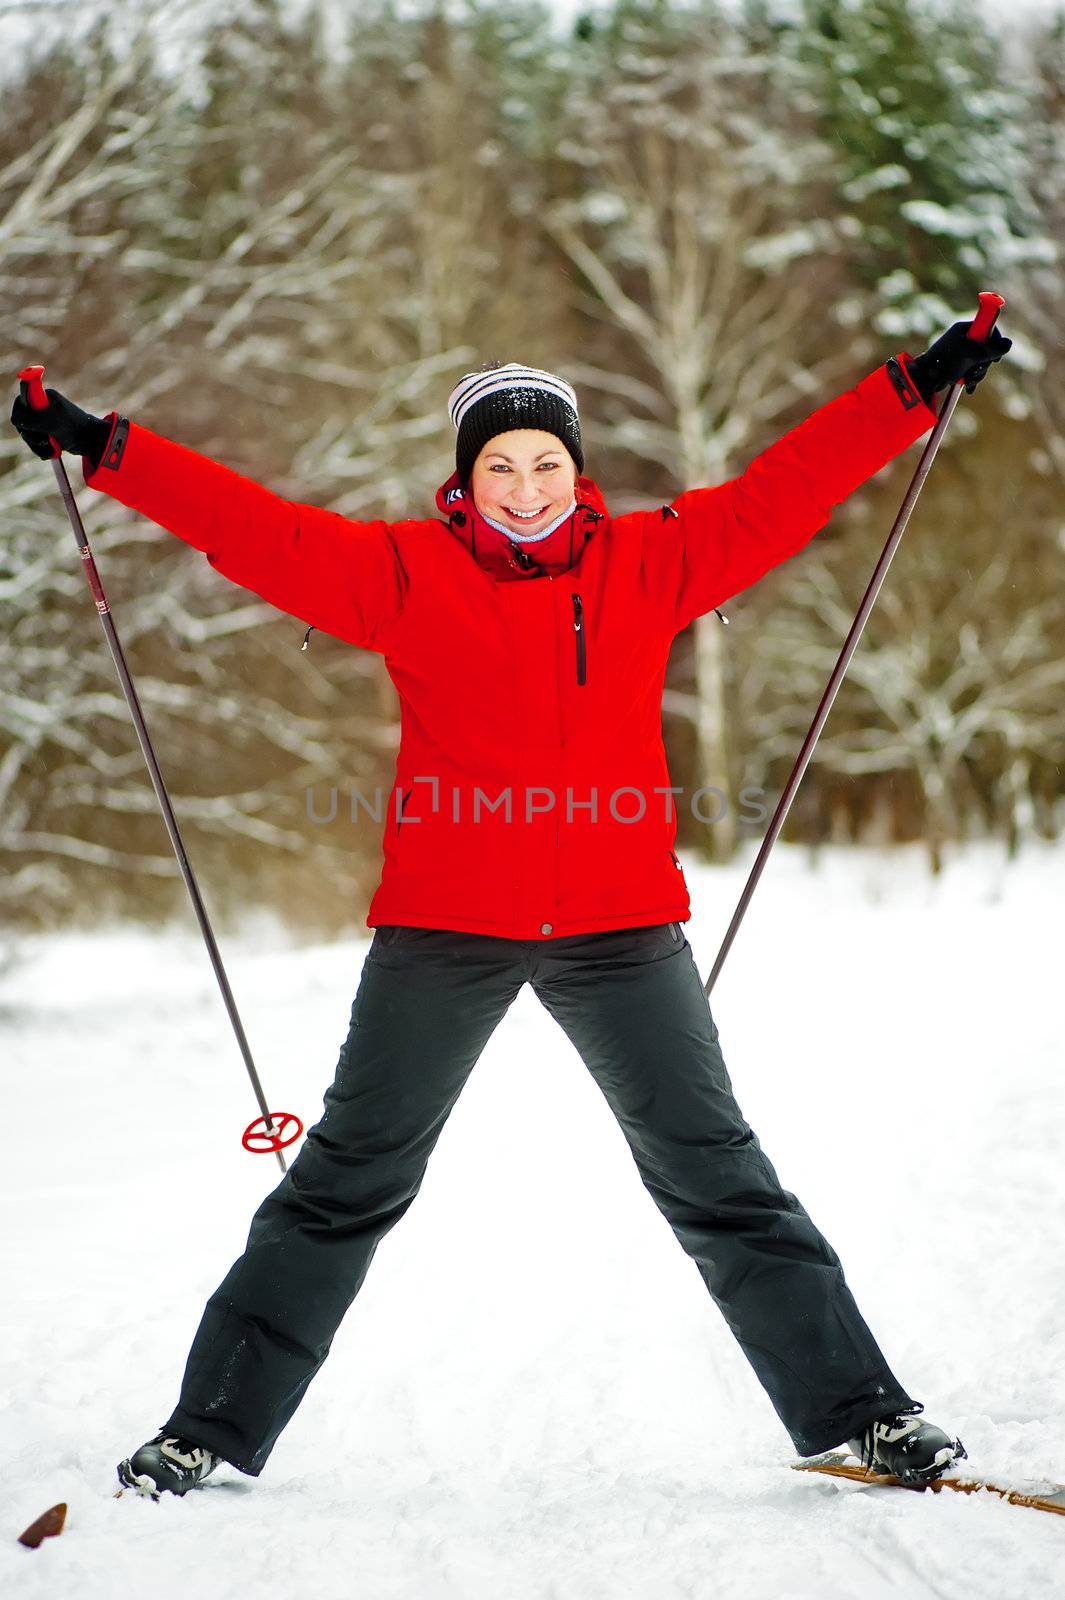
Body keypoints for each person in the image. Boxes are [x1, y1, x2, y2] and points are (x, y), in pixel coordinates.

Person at [11, 319, 1010, 1501]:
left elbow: (783, 490)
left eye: (545, 463)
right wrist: (103, 448)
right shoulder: (401, 573)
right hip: (446, 929)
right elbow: (253, 528)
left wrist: (911, 387)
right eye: (500, 466)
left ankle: (867, 1415)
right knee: (345, 1177)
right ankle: (208, 1427)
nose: (525, 487)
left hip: (620, 927)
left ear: (574, 471)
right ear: (466, 479)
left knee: (718, 1172)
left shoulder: (652, 561)